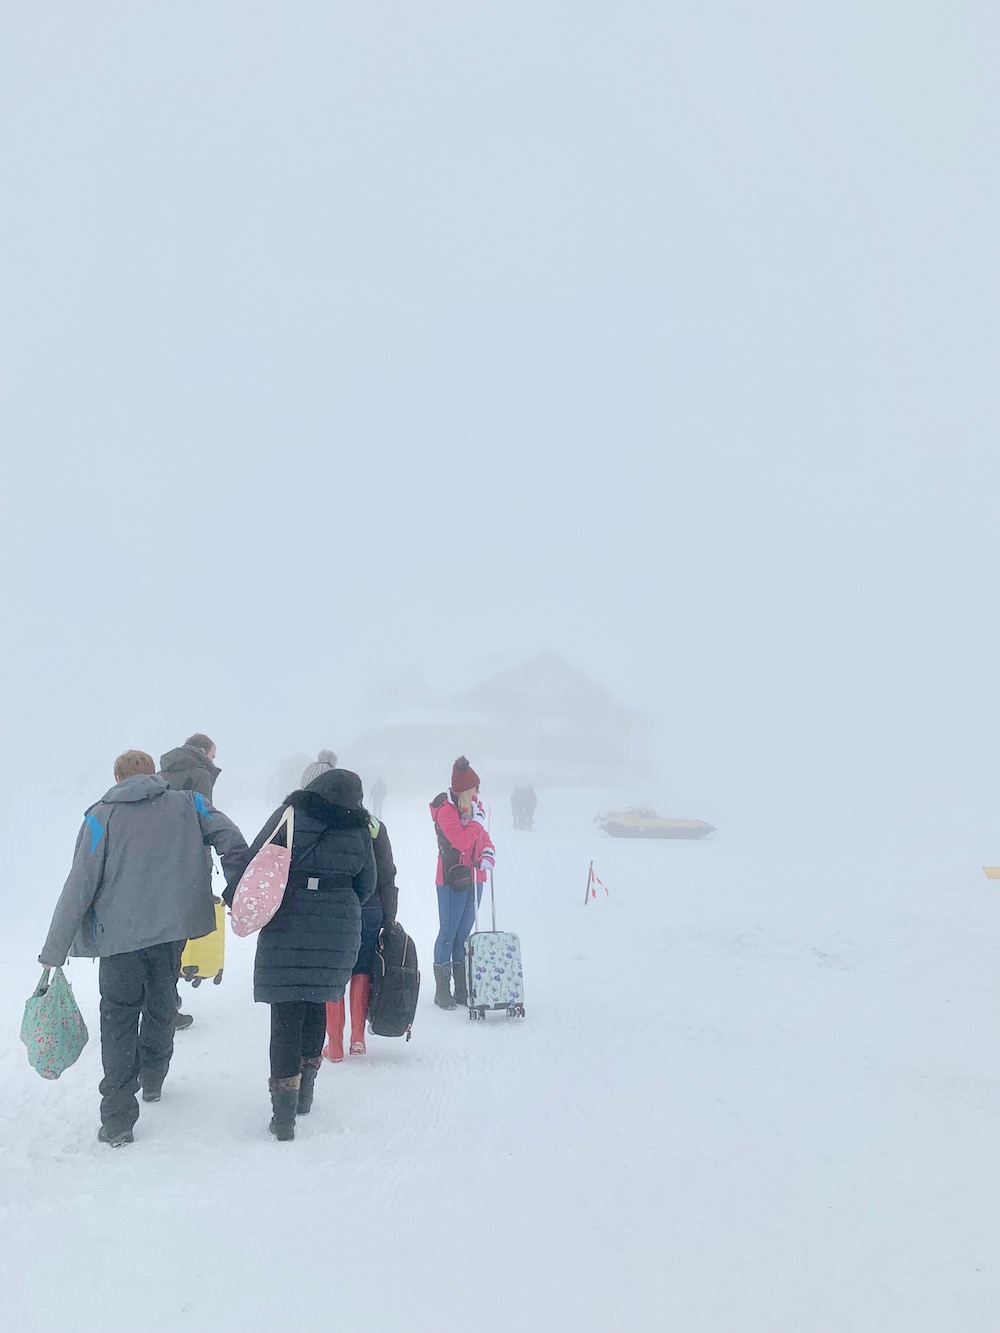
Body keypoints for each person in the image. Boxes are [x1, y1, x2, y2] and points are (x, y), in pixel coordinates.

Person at [38, 750, 248, 1148]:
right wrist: (239, 886)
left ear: (117, 776)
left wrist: (54, 948)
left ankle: (118, 1118)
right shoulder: (189, 803)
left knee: (118, 1018)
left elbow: (79, 884)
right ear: (153, 774)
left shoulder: (100, 817)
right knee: (162, 1002)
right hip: (172, 932)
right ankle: (153, 1078)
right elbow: (231, 838)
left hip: (119, 940)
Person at [225, 767, 375, 1141]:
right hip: (338, 927)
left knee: (287, 1010)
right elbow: (368, 884)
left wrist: (235, 897)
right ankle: (305, 1093)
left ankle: (284, 1115)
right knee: (315, 1003)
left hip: (288, 919)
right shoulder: (359, 828)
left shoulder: (291, 814)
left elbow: (255, 861)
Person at [323, 809, 398, 1061]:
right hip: (371, 906)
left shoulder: (327, 822)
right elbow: (387, 873)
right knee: (362, 968)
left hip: (336, 906)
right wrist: (389, 916)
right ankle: (358, 1037)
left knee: (335, 971)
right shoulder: (374, 825)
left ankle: (334, 1046)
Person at [158, 732, 221, 1030]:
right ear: (204, 751)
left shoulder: (160, 773)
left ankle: (161, 999)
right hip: (187, 862)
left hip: (157, 863)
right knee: (177, 937)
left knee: (158, 936)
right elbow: (204, 819)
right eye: (213, 756)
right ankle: (166, 1005)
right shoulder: (200, 775)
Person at [430, 756, 496, 1009]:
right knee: (448, 933)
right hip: (452, 880)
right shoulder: (446, 810)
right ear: (466, 789)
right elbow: (460, 841)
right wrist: (478, 823)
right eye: (476, 788)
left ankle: (461, 987)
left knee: (463, 934)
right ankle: (442, 989)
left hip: (475, 877)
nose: (479, 792)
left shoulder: (474, 808)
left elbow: (482, 837)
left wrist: (489, 852)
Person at [159, 733, 220, 800]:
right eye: (212, 757)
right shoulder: (202, 776)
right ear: (203, 751)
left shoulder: (158, 776)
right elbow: (203, 808)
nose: (212, 761)